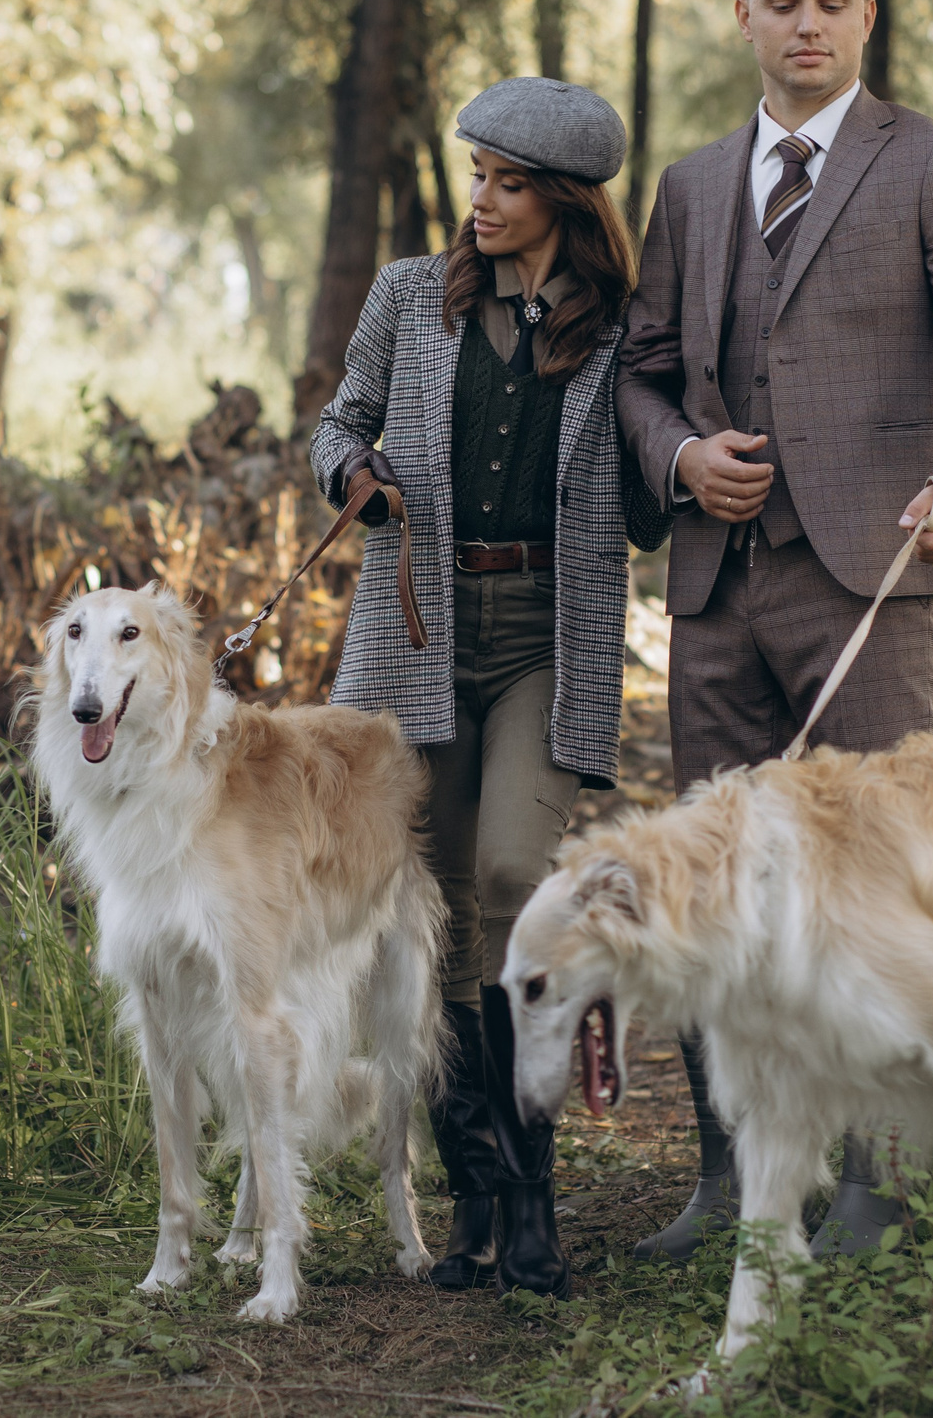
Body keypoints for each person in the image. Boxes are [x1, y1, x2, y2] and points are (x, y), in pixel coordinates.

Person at [614, 0, 933, 1261]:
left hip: (880, 586)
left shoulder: (931, 162)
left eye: (831, 5)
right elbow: (640, 370)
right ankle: (737, 1179)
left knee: (891, 884)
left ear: (866, 22)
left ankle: (883, 1182)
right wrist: (682, 456)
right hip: (719, 596)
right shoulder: (687, 185)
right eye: (781, 0)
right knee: (713, 892)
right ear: (741, 17)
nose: (806, 23)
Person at [311, 77, 667, 1299]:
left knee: (520, 881)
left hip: (547, 633)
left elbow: (649, 468)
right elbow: (335, 421)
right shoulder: (412, 298)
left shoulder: (621, 326)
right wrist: (352, 464)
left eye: (508, 185)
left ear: (564, 200)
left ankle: (534, 1201)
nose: (481, 203)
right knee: (445, 901)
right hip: (421, 620)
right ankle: (477, 1206)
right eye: (476, 177)